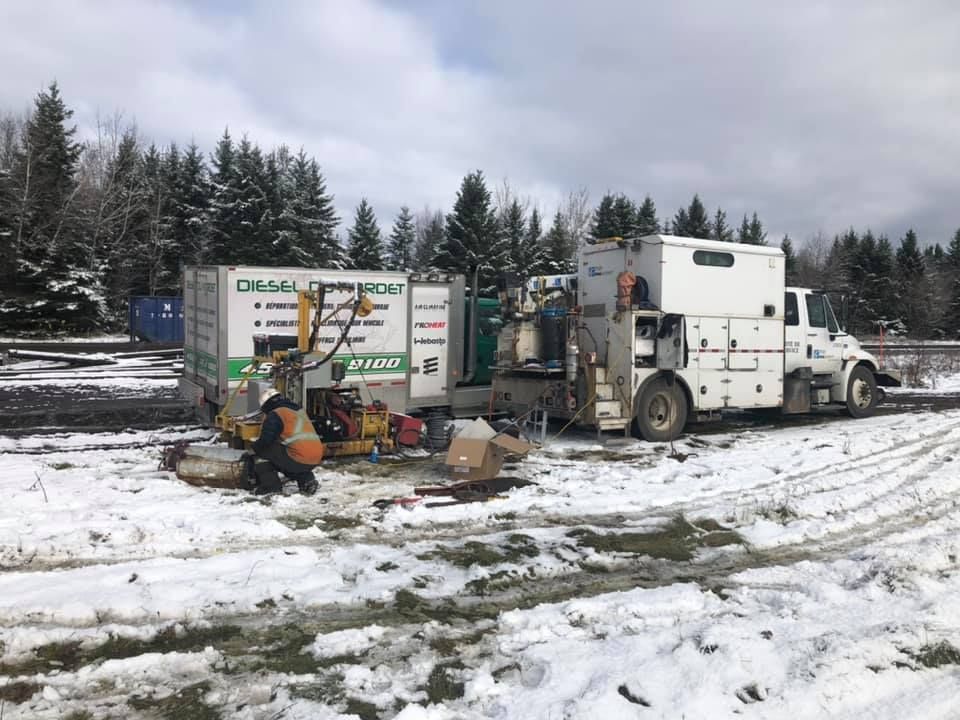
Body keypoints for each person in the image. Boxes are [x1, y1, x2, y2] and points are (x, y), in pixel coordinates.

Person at [249, 388, 322, 495]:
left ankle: (271, 487)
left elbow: (266, 440)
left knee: (262, 453)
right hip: (315, 456)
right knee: (285, 458)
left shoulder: (276, 414)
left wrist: (253, 449)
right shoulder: (297, 410)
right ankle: (307, 481)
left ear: (266, 404)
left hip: (299, 457)